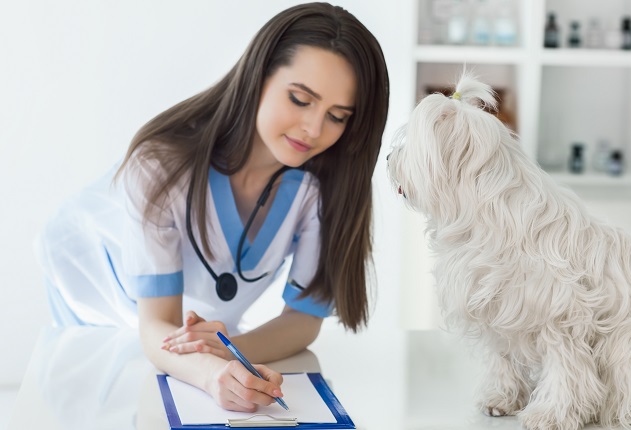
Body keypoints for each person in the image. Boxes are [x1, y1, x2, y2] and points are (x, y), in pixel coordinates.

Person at [35, 2, 389, 412]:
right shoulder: (159, 167)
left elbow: (303, 320)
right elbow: (155, 325)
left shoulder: (322, 188)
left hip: (189, 316)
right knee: (104, 403)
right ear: (259, 76)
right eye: (299, 98)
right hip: (91, 280)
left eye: (338, 116)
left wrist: (228, 350)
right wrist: (208, 372)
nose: (314, 129)